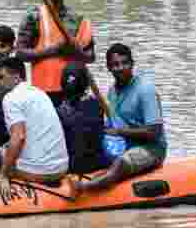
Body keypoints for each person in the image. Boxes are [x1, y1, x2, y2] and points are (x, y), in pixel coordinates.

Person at [71, 44, 167, 196]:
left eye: (125, 63)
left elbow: (155, 132)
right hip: (124, 145)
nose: (121, 68)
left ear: (132, 64)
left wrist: (119, 132)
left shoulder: (145, 90)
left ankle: (83, 189)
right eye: (115, 65)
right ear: (109, 68)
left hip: (151, 148)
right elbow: (112, 123)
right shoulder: (112, 92)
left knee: (120, 163)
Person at [14, 0, 95, 107]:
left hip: (74, 90)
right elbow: (20, 53)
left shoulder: (78, 19)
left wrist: (75, 53)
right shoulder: (34, 16)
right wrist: (52, 51)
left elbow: (90, 57)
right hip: (44, 91)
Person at [0, 57, 69, 195]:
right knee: (6, 148)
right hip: (62, 168)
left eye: (0, 77)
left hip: (39, 173)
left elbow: (19, 137)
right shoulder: (39, 92)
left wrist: (3, 174)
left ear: (16, 78)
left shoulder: (10, 98)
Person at [56, 63, 108, 175]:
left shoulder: (60, 111)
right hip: (99, 163)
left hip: (74, 167)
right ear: (85, 83)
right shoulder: (97, 105)